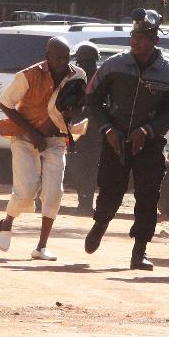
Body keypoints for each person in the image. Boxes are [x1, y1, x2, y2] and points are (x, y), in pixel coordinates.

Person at [84, 8, 169, 271]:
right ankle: (101, 223)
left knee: (148, 197)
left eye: (143, 36)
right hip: (114, 140)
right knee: (110, 191)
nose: (136, 41)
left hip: (149, 146)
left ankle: (139, 251)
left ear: (155, 39)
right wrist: (107, 129)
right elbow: (92, 99)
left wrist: (149, 130)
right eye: (134, 35)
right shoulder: (113, 65)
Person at [0, 36, 86, 261]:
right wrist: (31, 132)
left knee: (54, 192)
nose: (63, 62)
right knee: (26, 192)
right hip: (25, 138)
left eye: (66, 57)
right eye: (58, 57)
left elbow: (79, 103)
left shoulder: (78, 75)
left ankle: (41, 247)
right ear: (47, 58)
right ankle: (7, 222)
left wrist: (75, 112)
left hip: (56, 140)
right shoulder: (29, 76)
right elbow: (5, 103)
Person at [68, 41, 101, 215]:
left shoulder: (78, 76)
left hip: (87, 130)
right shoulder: (98, 76)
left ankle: (85, 202)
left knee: (82, 166)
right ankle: (86, 202)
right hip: (90, 130)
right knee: (87, 167)